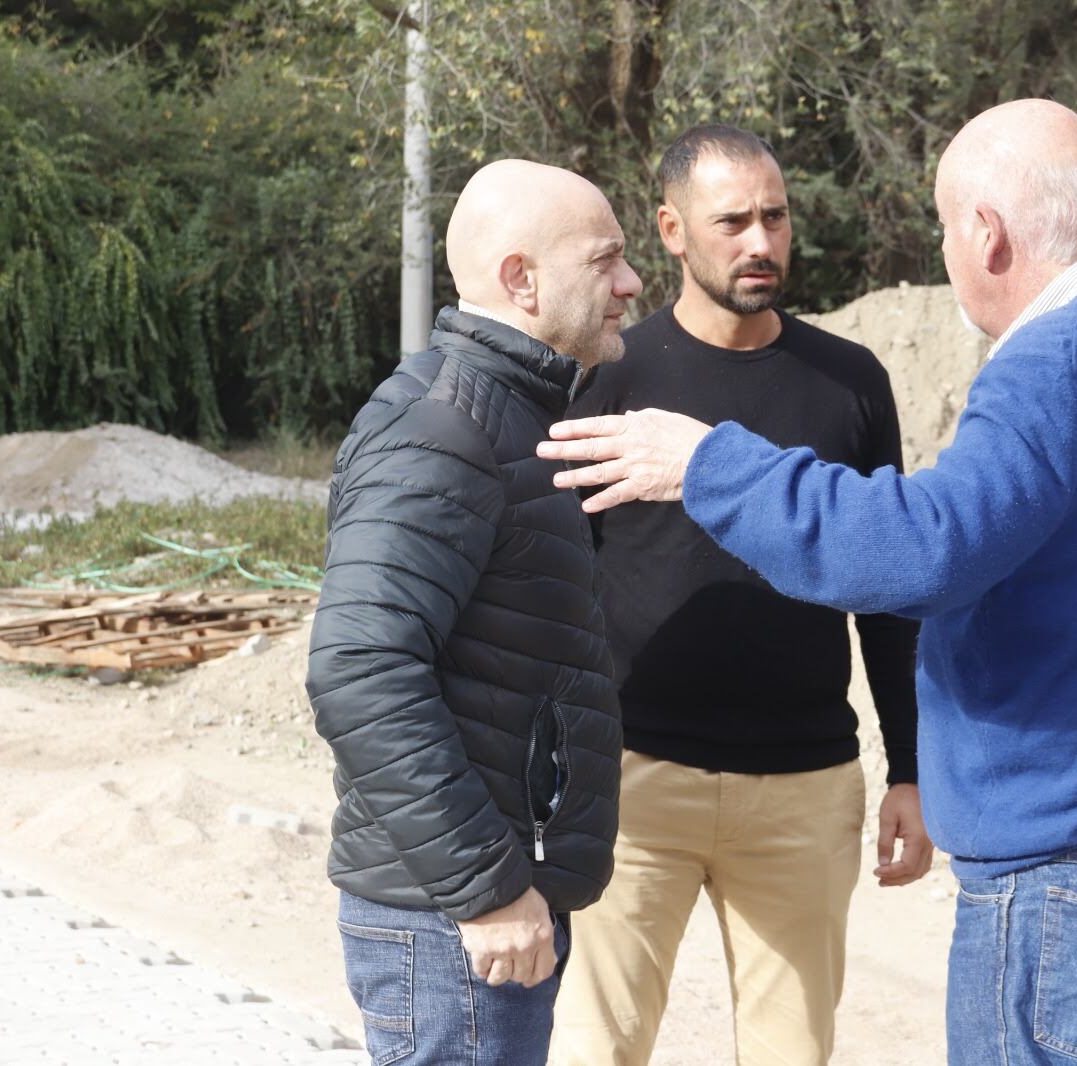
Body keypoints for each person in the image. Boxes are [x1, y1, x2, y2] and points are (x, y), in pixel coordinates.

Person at [537, 99, 1077, 1065]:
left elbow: (922, 555)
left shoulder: (1055, 360)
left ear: (988, 235)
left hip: (1068, 868)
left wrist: (709, 467)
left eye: (947, 230)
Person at [550, 124, 933, 1066]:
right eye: (734, 222)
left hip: (804, 789)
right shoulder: (608, 376)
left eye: (776, 216)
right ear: (673, 232)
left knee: (792, 1054)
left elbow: (886, 591)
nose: (761, 242)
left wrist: (912, 772)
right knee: (597, 1049)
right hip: (634, 783)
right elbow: (554, 583)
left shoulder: (849, 382)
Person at [305, 159, 641, 1066]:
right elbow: (359, 668)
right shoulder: (444, 429)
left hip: (472, 909)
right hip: (454, 922)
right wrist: (487, 888)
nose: (630, 283)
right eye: (606, 260)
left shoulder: (508, 415)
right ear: (520, 278)